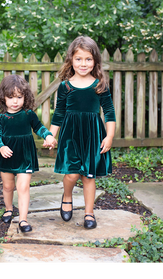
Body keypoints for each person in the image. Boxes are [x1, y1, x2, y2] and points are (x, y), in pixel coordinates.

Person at [43, 36, 116, 229]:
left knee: (89, 175)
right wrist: (51, 135)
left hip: (93, 135)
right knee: (72, 174)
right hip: (71, 135)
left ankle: (89, 213)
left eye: (88, 59)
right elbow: (59, 113)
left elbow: (109, 112)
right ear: (71, 60)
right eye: (79, 59)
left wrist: (109, 136)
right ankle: (67, 196)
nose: (83, 64)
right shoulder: (65, 86)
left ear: (95, 61)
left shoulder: (99, 85)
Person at [0, 74, 57, 232]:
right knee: (8, 186)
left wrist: (48, 135)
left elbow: (39, 127)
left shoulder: (28, 115)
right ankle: (8, 209)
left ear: (25, 97)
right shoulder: (1, 118)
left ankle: (23, 220)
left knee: (23, 187)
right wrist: (0, 147)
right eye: (11, 97)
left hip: (25, 156)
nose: (15, 101)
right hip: (6, 156)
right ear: (3, 98)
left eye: (19, 97)